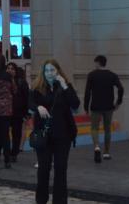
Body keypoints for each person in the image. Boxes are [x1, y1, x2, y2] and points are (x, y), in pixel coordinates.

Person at [29, 59, 80, 204]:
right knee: (43, 168)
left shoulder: (65, 87)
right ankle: (41, 200)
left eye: (52, 70)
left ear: (58, 71)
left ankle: (59, 201)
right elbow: (29, 102)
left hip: (63, 135)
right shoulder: (37, 87)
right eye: (47, 70)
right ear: (43, 72)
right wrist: (38, 107)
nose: (49, 73)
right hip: (44, 135)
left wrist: (64, 85)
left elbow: (75, 104)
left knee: (61, 168)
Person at [83, 54, 124, 163]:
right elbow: (121, 88)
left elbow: (87, 92)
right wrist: (118, 102)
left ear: (97, 63)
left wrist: (86, 107)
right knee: (107, 129)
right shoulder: (112, 75)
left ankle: (96, 146)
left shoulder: (91, 75)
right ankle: (106, 152)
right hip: (109, 106)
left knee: (94, 128)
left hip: (96, 106)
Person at [6, 61, 30, 162]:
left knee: (16, 133)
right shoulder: (3, 81)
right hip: (5, 111)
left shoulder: (21, 82)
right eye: (8, 68)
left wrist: (26, 112)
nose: (10, 70)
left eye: (12, 69)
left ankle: (14, 153)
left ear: (16, 71)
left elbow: (26, 98)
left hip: (17, 112)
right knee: (5, 133)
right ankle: (6, 152)